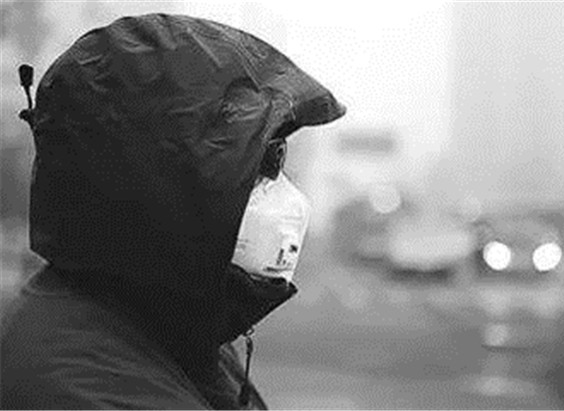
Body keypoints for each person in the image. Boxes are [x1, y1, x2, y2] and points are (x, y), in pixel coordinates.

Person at [0, 13, 345, 410]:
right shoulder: (89, 385)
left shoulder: (158, 317)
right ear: (161, 183)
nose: (288, 198)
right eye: (261, 162)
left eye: (277, 158)